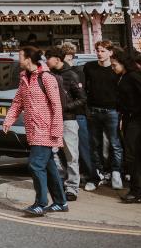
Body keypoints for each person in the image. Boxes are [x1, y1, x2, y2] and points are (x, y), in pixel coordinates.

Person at [2, 46, 66, 216]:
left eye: (20, 56)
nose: (18, 60)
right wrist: (8, 120)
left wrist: (56, 130)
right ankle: (60, 202)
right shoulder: (24, 78)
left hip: (46, 130)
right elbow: (17, 102)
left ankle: (40, 203)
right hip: (33, 130)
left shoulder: (46, 78)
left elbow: (57, 106)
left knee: (35, 165)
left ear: (28, 59)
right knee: (49, 166)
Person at [45, 47, 85, 201]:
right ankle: (61, 181)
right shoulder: (49, 75)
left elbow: (82, 99)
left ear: (57, 59)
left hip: (68, 119)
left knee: (71, 155)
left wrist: (64, 107)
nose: (46, 61)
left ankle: (72, 188)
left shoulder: (71, 75)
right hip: (53, 120)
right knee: (55, 153)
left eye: (48, 57)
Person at [83, 41, 123, 191]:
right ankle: (97, 175)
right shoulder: (89, 67)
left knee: (115, 144)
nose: (99, 53)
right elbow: (85, 88)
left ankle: (116, 173)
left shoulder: (115, 69)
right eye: (98, 50)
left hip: (112, 111)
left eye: (103, 51)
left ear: (110, 53)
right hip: (94, 110)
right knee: (95, 145)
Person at [60, 42, 96, 189]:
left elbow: (82, 96)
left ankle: (91, 177)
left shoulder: (77, 72)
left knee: (82, 148)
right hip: (68, 115)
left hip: (78, 115)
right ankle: (77, 177)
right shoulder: (60, 73)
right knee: (69, 151)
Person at [113, 49, 141, 203]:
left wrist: (135, 111)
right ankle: (139, 190)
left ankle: (137, 192)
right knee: (135, 155)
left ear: (123, 63)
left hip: (136, 120)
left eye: (114, 64)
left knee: (132, 156)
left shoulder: (133, 76)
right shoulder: (124, 76)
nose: (112, 67)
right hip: (128, 118)